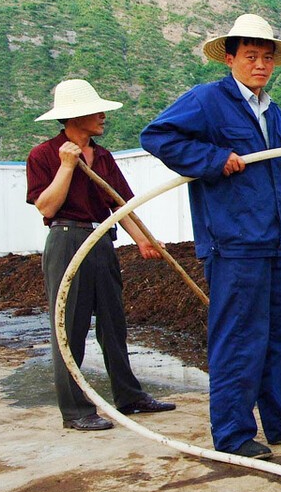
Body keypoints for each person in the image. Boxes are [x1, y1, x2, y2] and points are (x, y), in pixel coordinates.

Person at [140, 13, 281, 460]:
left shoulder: (271, 111)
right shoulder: (207, 101)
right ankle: (234, 434)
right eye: (250, 56)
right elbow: (156, 136)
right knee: (239, 338)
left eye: (266, 58)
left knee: (278, 332)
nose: (259, 65)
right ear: (231, 58)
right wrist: (215, 157)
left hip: (273, 240)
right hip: (233, 241)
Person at [26, 79, 178, 431]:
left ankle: (129, 396)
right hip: (67, 240)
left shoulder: (104, 157)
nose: (103, 116)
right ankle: (77, 411)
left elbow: (124, 205)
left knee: (114, 324)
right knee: (70, 327)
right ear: (74, 116)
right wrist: (67, 166)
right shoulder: (44, 155)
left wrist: (143, 241)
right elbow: (45, 206)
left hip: (101, 242)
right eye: (96, 111)